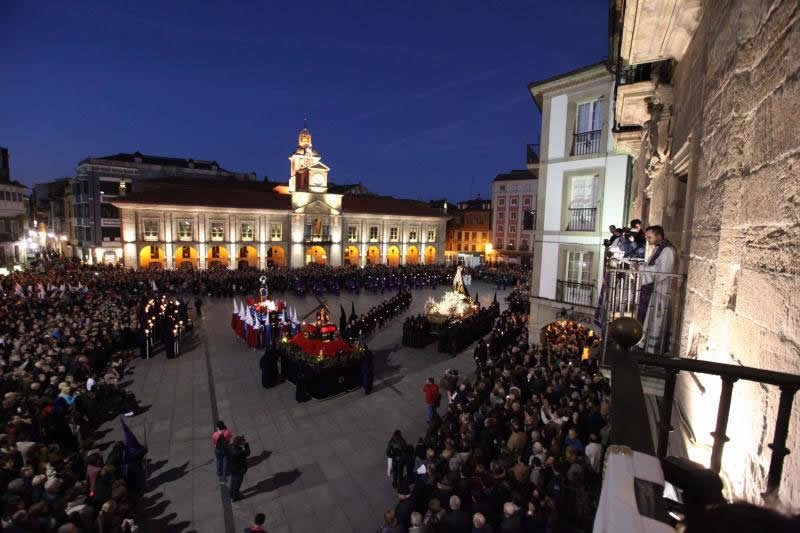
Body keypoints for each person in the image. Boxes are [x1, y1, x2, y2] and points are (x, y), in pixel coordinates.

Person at [636, 225, 676, 353]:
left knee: (655, 320)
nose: (648, 240)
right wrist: (641, 266)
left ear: (658, 235)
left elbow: (662, 271)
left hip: (660, 290)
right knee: (649, 318)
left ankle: (653, 350)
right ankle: (646, 344)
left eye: (649, 237)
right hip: (653, 289)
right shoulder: (658, 249)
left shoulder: (668, 251)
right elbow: (652, 266)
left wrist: (641, 269)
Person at [228, 435, 251, 501]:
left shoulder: (230, 446)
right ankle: (235, 497)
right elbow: (248, 452)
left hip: (231, 468)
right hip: (239, 470)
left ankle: (231, 493)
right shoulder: (239, 452)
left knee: (233, 481)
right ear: (239, 443)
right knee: (237, 484)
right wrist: (246, 445)